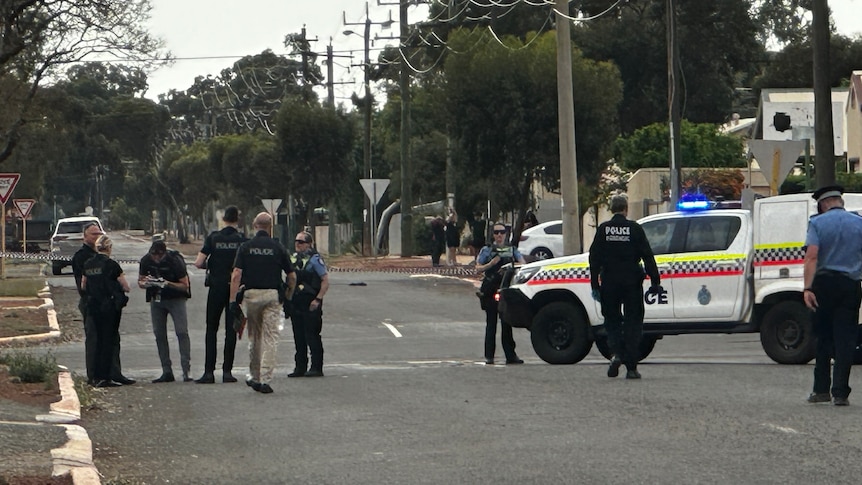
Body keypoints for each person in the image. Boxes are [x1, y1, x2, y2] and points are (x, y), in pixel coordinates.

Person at [589, 194, 661, 380]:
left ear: (612, 209)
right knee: (633, 323)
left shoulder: (604, 230)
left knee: (612, 321)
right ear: (626, 209)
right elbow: (647, 254)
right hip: (631, 283)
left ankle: (616, 354)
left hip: (610, 282)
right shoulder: (635, 229)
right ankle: (631, 368)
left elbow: (594, 257)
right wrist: (655, 280)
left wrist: (595, 284)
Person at [803, 185, 862, 406]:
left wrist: (807, 288)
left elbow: (811, 257)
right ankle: (840, 393)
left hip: (824, 285)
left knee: (823, 338)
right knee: (846, 340)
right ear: (840, 202)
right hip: (850, 285)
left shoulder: (817, 223)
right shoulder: (859, 223)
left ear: (823, 204)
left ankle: (820, 391)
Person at [229, 212, 296, 394]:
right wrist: (288, 297)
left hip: (251, 295)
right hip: (272, 295)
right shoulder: (278, 247)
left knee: (254, 337)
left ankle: (254, 375)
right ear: (270, 226)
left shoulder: (246, 247)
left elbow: (236, 275)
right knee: (271, 337)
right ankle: (266, 379)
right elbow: (291, 276)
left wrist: (233, 300)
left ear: (254, 225)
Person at [72, 222, 134, 385]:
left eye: (99, 233)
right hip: (92, 304)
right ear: (84, 236)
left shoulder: (104, 259)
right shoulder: (81, 257)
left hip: (109, 305)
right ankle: (95, 375)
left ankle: (114, 373)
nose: (97, 236)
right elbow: (82, 285)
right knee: (95, 340)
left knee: (112, 339)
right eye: (93, 234)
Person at [193, 206, 247, 384]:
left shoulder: (213, 238)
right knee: (230, 330)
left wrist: (212, 266)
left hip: (216, 287)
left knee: (211, 329)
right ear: (237, 220)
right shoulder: (242, 240)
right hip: (234, 289)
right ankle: (227, 372)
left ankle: (209, 372)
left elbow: (198, 262)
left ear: (224, 219)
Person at [138, 240, 192, 383]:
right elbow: (140, 281)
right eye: (153, 256)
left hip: (176, 298)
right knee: (159, 334)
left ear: (164, 253)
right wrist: (147, 283)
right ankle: (166, 370)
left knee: (181, 332)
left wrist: (167, 283)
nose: (156, 259)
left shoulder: (175, 260)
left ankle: (186, 369)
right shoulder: (145, 260)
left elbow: (184, 285)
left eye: (159, 256)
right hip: (156, 299)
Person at [476, 222, 526, 365]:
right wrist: (491, 264)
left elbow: (522, 264)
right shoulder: (487, 250)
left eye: (502, 232)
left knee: (507, 324)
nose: (499, 235)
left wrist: (512, 267)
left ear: (506, 234)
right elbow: (478, 268)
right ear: (492, 235)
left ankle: (510, 355)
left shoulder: (511, 250)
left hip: (505, 289)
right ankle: (489, 356)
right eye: (496, 232)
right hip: (490, 290)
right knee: (491, 324)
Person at [287, 231, 330, 378]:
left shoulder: (315, 260)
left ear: (309, 244)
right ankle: (300, 366)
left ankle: (316, 367)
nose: (298, 244)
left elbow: (325, 280)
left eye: (301, 242)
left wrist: (318, 299)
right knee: (298, 336)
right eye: (296, 241)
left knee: (312, 335)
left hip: (310, 301)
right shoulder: (292, 259)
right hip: (296, 302)